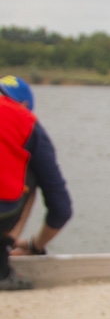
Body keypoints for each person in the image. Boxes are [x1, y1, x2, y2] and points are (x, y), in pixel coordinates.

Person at [0, 75, 73, 290]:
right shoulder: (26, 122)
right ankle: (2, 264)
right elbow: (60, 208)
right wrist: (34, 245)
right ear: (24, 105)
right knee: (32, 171)